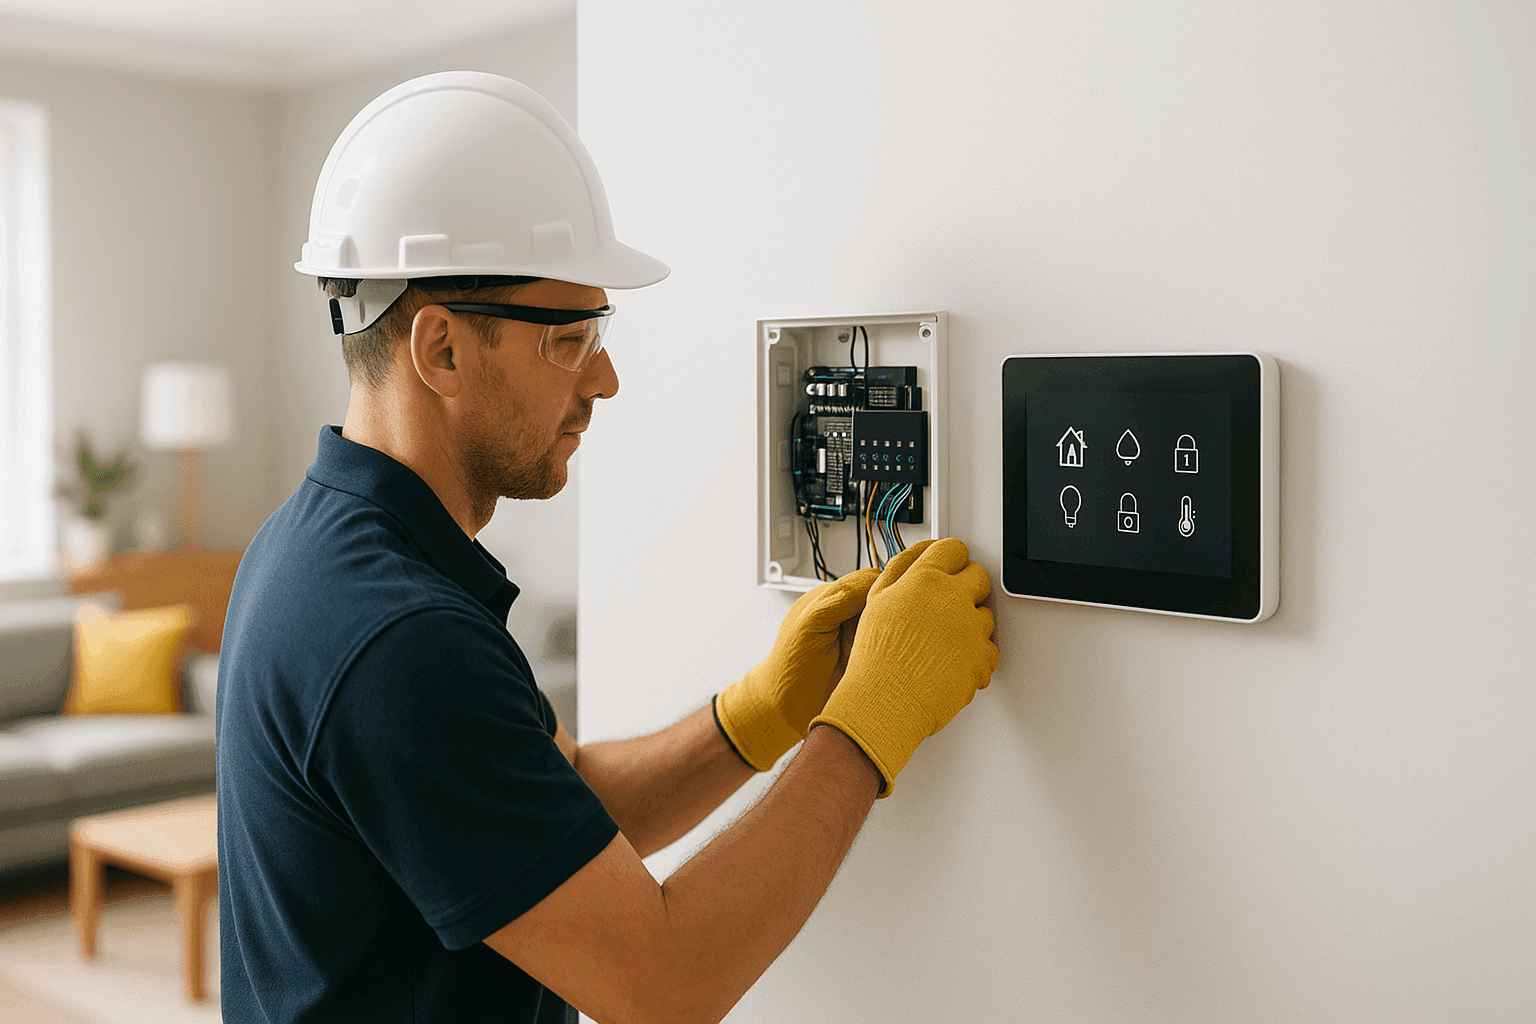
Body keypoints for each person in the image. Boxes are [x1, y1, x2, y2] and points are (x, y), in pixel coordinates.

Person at [216, 71, 998, 1024]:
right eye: (571, 339)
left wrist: (755, 715)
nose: (609, 379)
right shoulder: (397, 638)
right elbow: (663, 983)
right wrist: (871, 721)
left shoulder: (313, 551)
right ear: (442, 350)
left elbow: (554, 807)